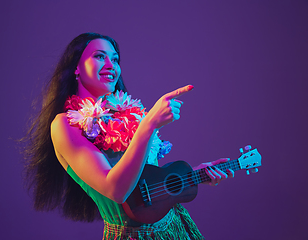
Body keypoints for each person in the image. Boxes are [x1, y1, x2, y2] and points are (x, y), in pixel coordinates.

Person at [23, 32, 234, 240]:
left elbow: (146, 185)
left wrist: (192, 176)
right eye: (99, 56)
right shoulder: (65, 125)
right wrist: (149, 124)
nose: (110, 65)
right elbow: (116, 190)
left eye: (115, 59)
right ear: (76, 67)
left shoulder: (128, 114)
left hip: (176, 228)